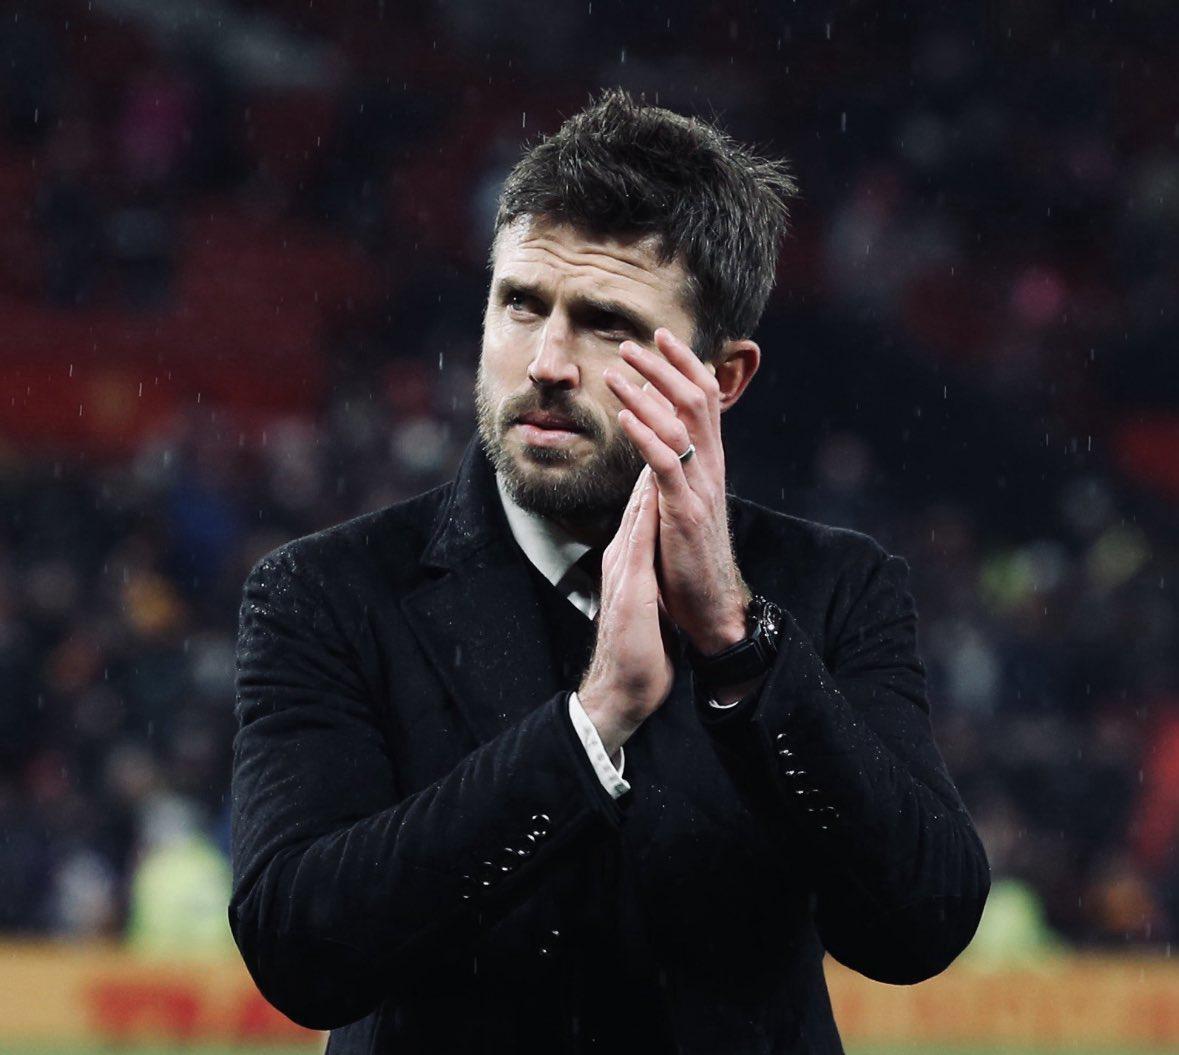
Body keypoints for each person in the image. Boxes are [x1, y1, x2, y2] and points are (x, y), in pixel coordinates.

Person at [229, 89, 990, 1054]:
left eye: (605, 323)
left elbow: (919, 924)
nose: (546, 361)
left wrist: (738, 647)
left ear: (723, 377)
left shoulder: (836, 586)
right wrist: (589, 726)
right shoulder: (327, 591)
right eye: (520, 303)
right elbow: (299, 950)